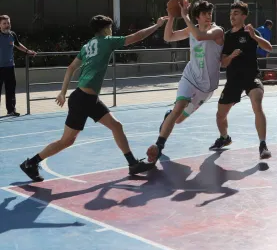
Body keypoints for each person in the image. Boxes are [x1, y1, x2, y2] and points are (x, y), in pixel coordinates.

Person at [20, 15, 168, 182]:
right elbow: (136, 37)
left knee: (116, 126)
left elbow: (70, 68)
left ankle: (132, 164)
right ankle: (31, 163)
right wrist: (157, 25)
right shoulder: (107, 40)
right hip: (83, 99)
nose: (111, 30)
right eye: (110, 27)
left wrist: (62, 92)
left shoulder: (87, 45)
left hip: (86, 98)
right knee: (66, 141)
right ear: (105, 29)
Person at [146, 0, 224, 163]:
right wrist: (172, 17)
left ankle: (170, 115)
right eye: (204, 14)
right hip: (190, 77)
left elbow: (200, 36)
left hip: (206, 87)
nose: (208, 16)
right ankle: (159, 147)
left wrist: (185, 16)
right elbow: (168, 37)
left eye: (210, 13)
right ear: (197, 17)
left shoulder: (217, 31)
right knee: (178, 108)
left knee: (179, 119)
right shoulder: (191, 29)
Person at [210, 2, 273, 159]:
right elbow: (223, 63)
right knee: (220, 115)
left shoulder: (251, 32)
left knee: (257, 104)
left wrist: (254, 36)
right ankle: (224, 138)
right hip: (233, 80)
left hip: (251, 77)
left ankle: (263, 145)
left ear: (244, 16)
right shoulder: (228, 37)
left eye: (236, 13)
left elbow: (269, 48)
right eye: (231, 14)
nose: (232, 16)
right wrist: (231, 56)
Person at [0, 15, 36, 116]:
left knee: (11, 89)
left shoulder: (12, 34)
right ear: (0, 25)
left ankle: (11, 110)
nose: (7, 25)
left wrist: (28, 51)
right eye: (4, 23)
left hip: (10, 67)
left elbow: (18, 44)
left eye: (8, 23)